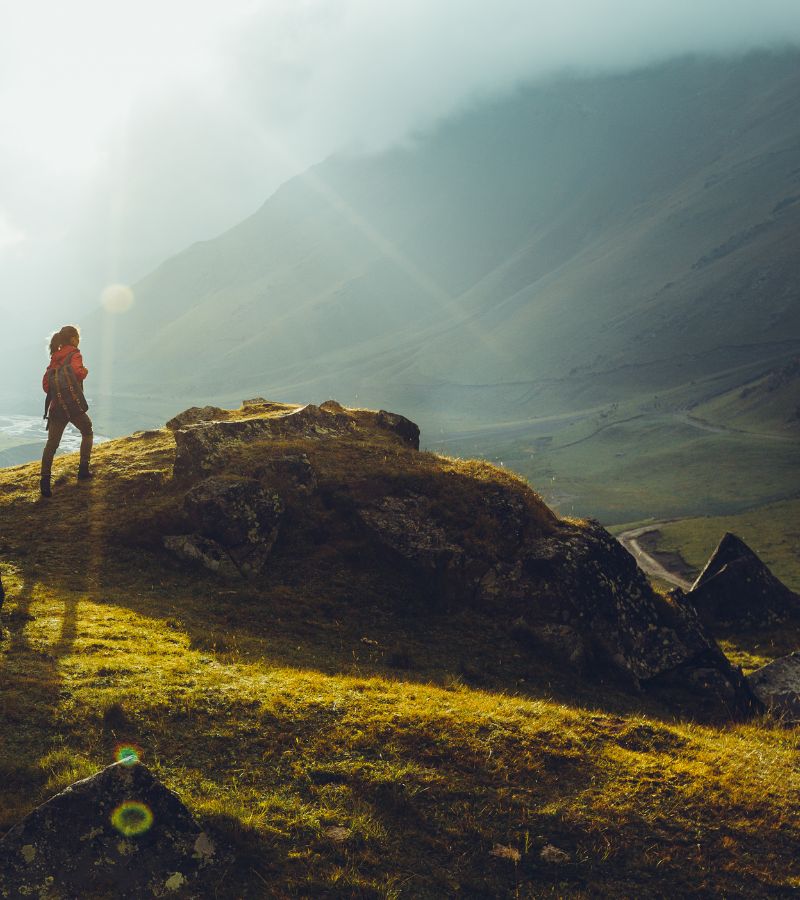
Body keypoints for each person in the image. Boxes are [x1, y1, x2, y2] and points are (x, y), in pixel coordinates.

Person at [40, 325, 93, 497]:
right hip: (73, 406)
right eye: (78, 338)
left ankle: (45, 482)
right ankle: (83, 470)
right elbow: (78, 372)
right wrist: (84, 371)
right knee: (87, 430)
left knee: (51, 445)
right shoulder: (75, 354)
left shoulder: (54, 357)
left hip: (57, 408)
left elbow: (46, 386)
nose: (79, 341)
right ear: (72, 339)